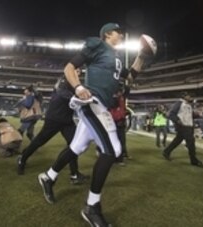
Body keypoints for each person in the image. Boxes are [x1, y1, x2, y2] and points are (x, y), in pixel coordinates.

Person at [37, 22, 147, 227]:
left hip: (102, 106)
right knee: (112, 149)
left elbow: (131, 76)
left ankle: (48, 177)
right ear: (107, 34)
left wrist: (141, 55)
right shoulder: (97, 45)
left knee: (77, 147)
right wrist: (78, 87)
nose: (122, 35)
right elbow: (69, 67)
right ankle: (92, 206)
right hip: (92, 102)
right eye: (118, 32)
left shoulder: (115, 58)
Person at [17, 69, 89, 185]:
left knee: (74, 145)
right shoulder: (63, 80)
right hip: (54, 118)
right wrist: (79, 96)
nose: (78, 73)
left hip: (67, 120)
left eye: (79, 71)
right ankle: (22, 159)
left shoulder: (76, 83)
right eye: (75, 70)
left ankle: (74, 174)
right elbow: (62, 93)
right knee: (39, 141)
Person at [162, 92, 203, 168]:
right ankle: (194, 161)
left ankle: (166, 152)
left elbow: (190, 116)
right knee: (191, 143)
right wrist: (178, 121)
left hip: (188, 126)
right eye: (189, 96)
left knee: (177, 140)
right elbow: (171, 114)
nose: (190, 97)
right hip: (183, 126)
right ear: (184, 96)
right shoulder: (179, 103)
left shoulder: (188, 105)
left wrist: (198, 115)